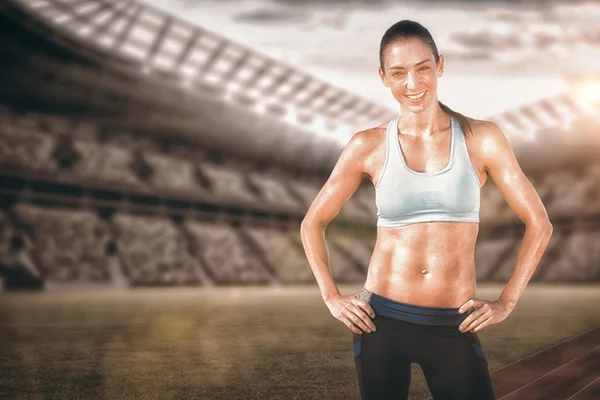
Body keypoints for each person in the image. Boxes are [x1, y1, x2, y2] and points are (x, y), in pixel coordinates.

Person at [299, 20, 553, 400]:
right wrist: (331, 297)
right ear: (383, 77)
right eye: (399, 73)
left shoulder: (481, 139)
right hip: (380, 322)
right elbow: (312, 222)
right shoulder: (367, 145)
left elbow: (539, 223)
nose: (413, 84)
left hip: (453, 324)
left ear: (440, 66)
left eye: (422, 68)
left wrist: (507, 301)